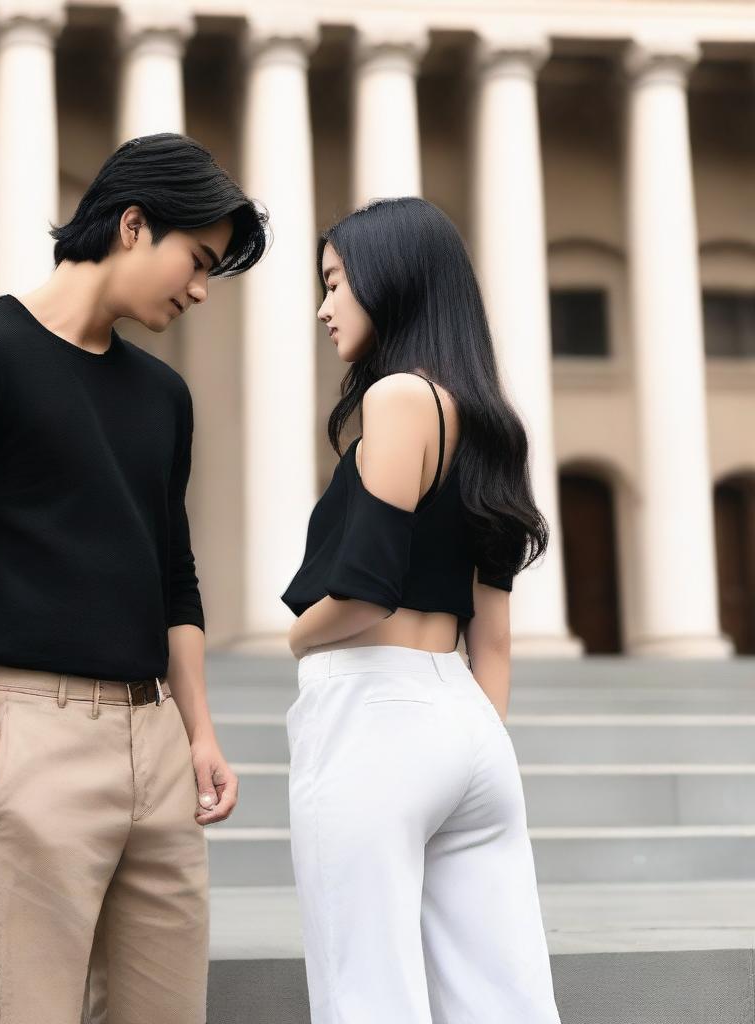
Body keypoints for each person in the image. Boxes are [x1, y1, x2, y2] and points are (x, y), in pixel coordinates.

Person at [0, 133, 266, 1024]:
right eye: (199, 260)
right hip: (33, 732)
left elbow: (174, 575)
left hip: (158, 743)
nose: (202, 289)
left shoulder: (163, 397)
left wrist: (200, 732)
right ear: (134, 225)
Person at [280, 197, 563, 1023]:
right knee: (502, 1000)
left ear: (389, 281)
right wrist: (467, 742)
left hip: (375, 716)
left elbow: (365, 591)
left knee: (366, 995)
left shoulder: (399, 397)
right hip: (469, 730)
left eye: (336, 283)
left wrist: (294, 639)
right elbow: (496, 638)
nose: (324, 306)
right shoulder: (489, 422)